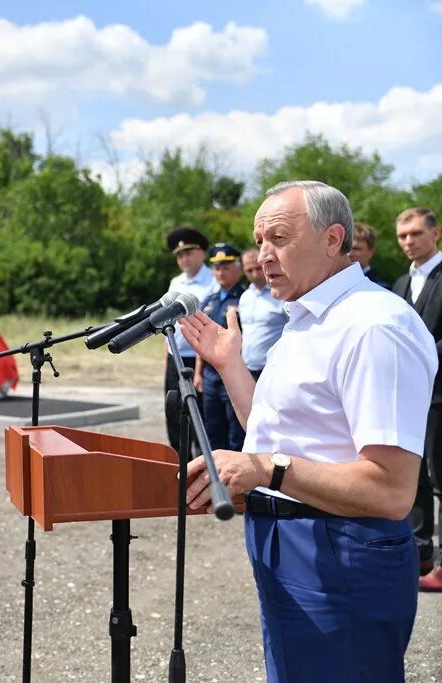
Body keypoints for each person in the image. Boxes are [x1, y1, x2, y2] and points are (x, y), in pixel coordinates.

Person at [181, 180, 435, 682]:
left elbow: (390, 490)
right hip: (288, 538)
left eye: (278, 238)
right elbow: (280, 435)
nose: (263, 255)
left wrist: (261, 470)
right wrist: (231, 366)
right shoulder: (307, 317)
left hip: (341, 548)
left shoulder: (371, 326)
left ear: (333, 239)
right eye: (259, 241)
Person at [392, 207, 442, 589]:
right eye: (402, 236)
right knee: (415, 474)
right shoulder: (399, 285)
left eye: (415, 233)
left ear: (435, 234)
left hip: (441, 394)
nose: (408, 241)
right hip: (409, 395)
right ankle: (420, 555)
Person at [163, 226, 217, 449]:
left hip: (201, 359)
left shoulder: (213, 280)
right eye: (180, 255)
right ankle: (179, 465)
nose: (184, 258)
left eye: (189, 253)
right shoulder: (176, 283)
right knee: (173, 411)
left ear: (202, 252)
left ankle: (202, 465)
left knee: (200, 416)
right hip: (174, 357)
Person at [195, 243, 247, 451]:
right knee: (213, 428)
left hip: (233, 371)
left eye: (226, 267)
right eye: (217, 268)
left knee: (236, 430)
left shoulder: (245, 298)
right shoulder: (210, 301)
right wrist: (198, 372)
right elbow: (202, 338)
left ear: (238, 268)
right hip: (210, 374)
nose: (220, 272)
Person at [237, 248, 287, 381]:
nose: (254, 274)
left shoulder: (280, 294)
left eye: (258, 268)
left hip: (274, 369)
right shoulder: (244, 297)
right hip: (247, 369)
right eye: (249, 270)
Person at [349, 222, 390, 288]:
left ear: (371, 251)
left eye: (356, 249)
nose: (349, 254)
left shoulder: (380, 288)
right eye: (346, 248)